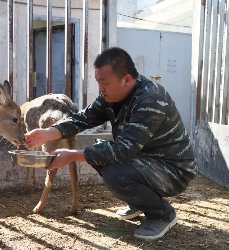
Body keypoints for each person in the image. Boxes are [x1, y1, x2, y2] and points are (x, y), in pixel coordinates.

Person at [24, 47, 196, 240]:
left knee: (115, 173)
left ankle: (163, 214)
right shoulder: (112, 95)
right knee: (102, 157)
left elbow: (123, 150)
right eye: (98, 82)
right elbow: (84, 117)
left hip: (173, 170)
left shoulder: (150, 99)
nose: (101, 89)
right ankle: (140, 200)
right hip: (146, 160)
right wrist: (49, 133)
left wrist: (72, 155)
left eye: (105, 83)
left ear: (127, 79)